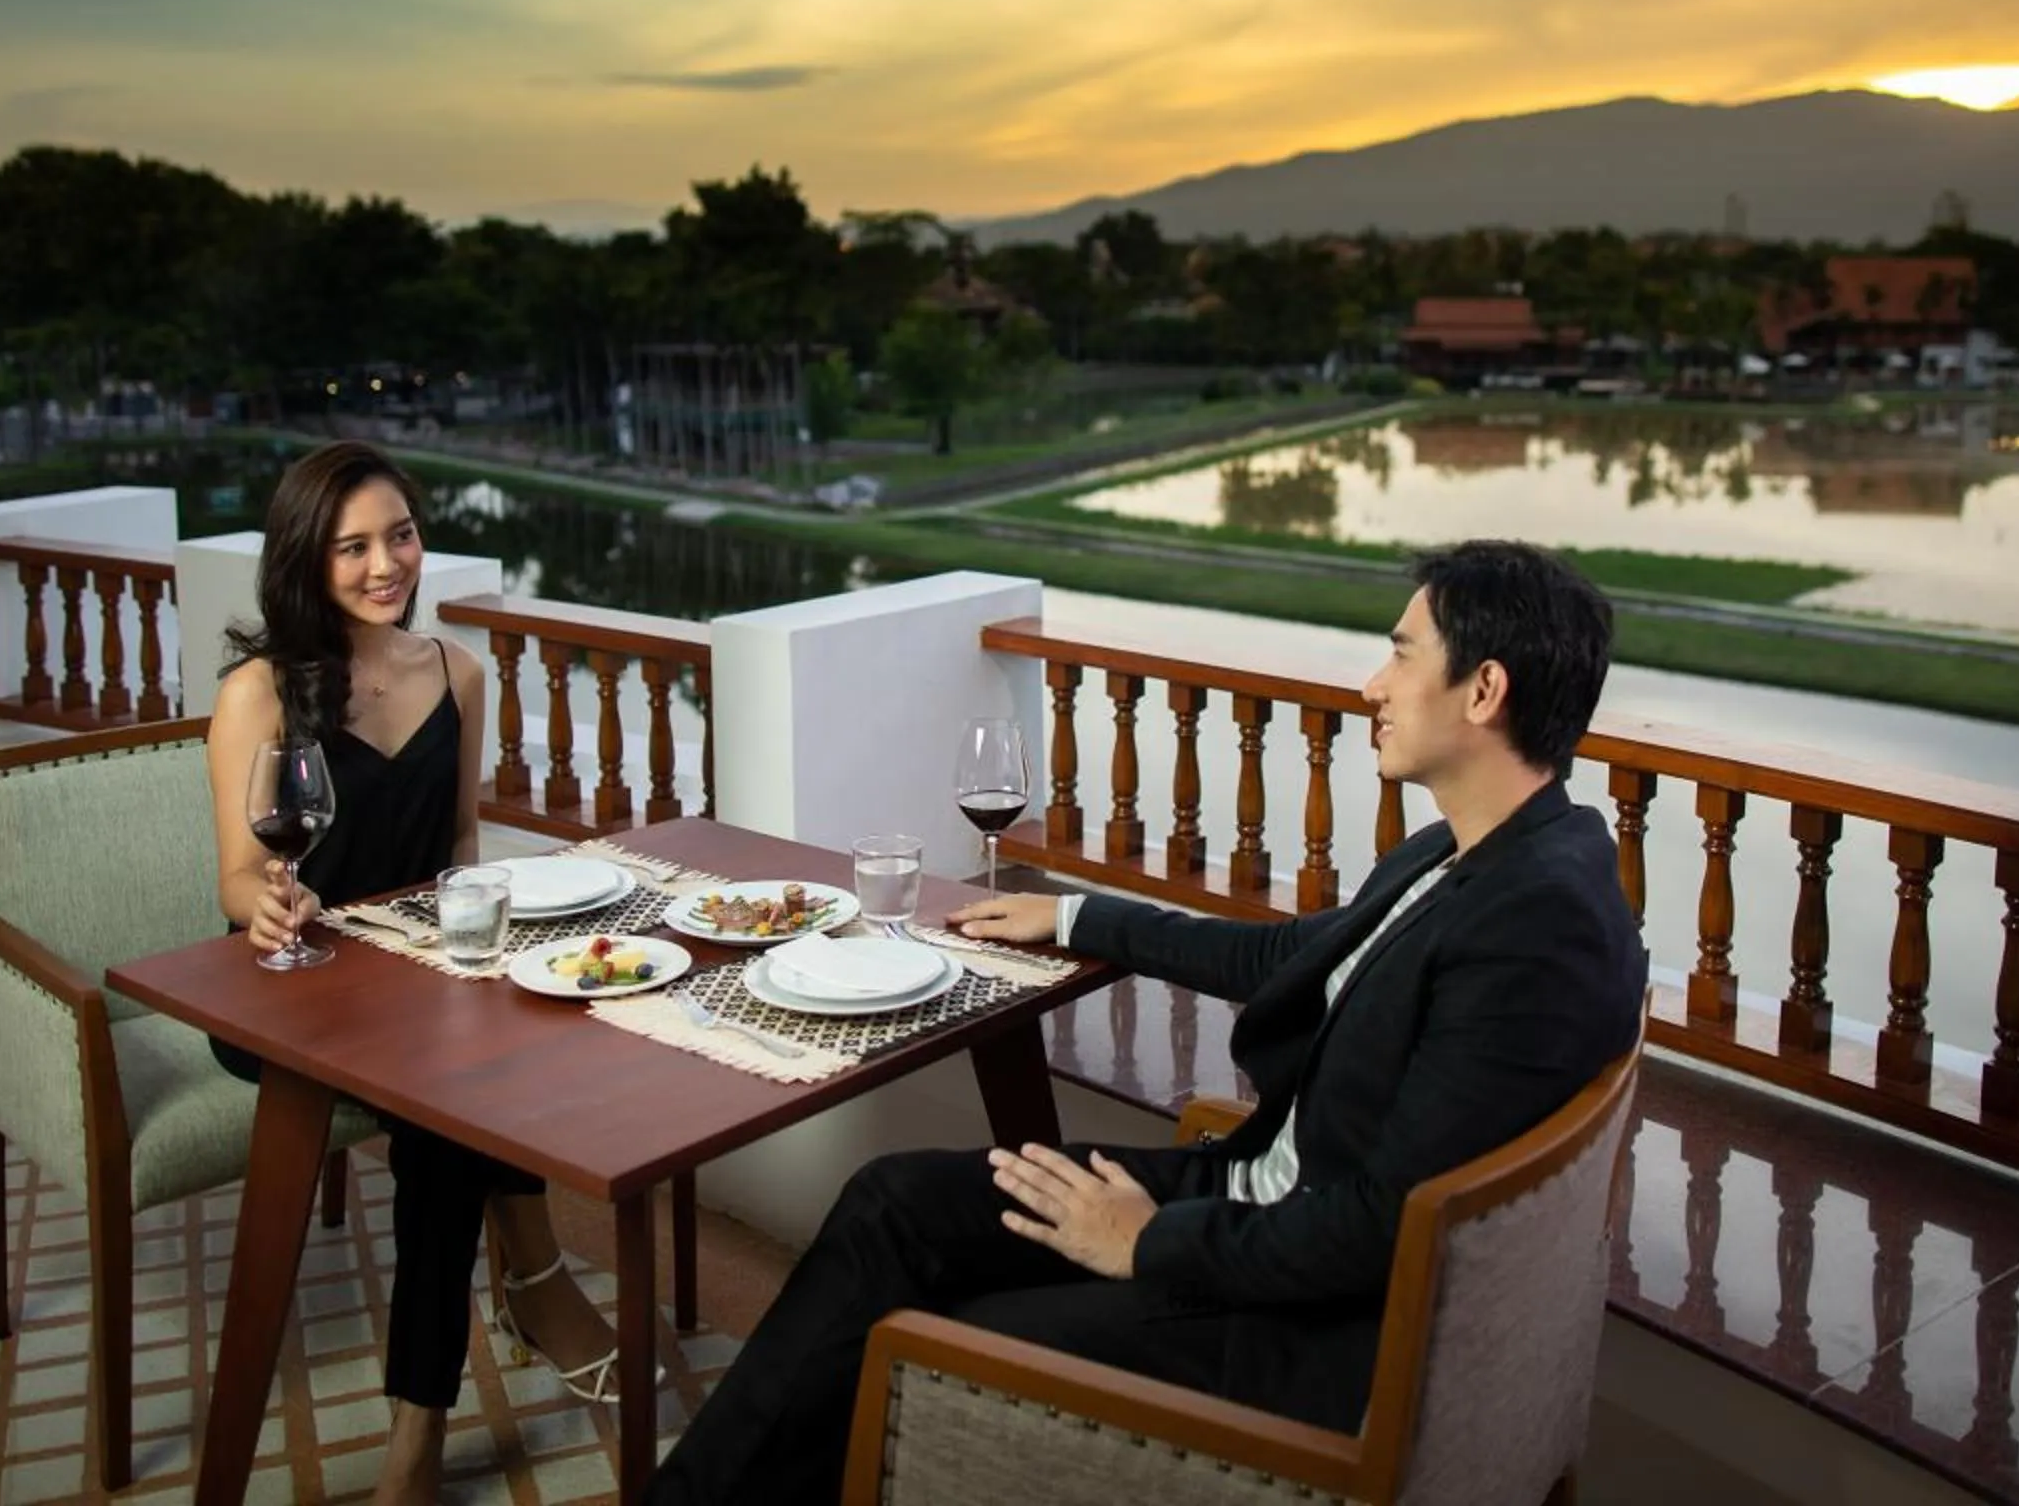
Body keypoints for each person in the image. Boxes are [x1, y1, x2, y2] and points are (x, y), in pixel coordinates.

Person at [649, 538, 1647, 1505]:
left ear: (1484, 691)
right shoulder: (1479, 853)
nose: (1369, 684)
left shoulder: (1534, 928)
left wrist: (1149, 1241)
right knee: (892, 1205)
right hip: (1249, 1196)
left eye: (1399, 651)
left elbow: (1386, 1228)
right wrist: (1079, 915)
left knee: (926, 1328)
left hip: (1286, 1306)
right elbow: (1286, 957)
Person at [205, 441, 613, 1505]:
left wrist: (469, 946)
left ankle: (428, 1410)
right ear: (305, 557)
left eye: (399, 533)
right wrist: (270, 904)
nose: (387, 562)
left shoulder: (458, 672)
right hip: (291, 986)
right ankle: (523, 1295)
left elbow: (461, 843)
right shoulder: (259, 692)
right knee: (452, 1100)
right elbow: (239, 877)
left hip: (418, 980)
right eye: (353, 545)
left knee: (507, 1040)